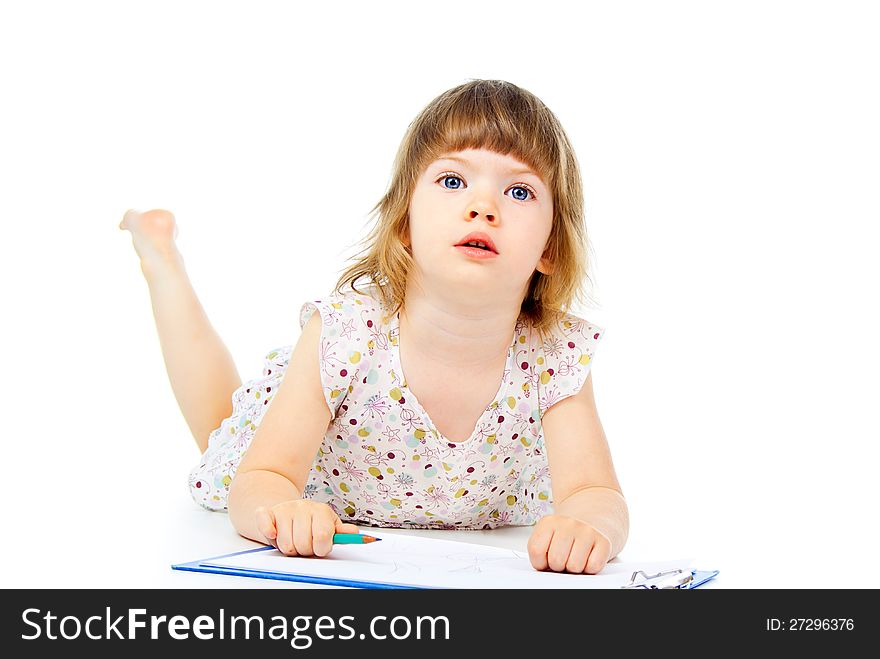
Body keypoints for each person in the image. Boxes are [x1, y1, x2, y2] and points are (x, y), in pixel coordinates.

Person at [120, 79, 629, 575]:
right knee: (218, 426)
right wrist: (281, 510)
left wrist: (590, 528)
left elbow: (596, 493)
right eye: (453, 181)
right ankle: (163, 263)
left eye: (519, 191)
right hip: (316, 475)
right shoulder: (348, 332)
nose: (484, 207)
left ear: (550, 249)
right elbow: (261, 477)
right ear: (404, 223)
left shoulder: (555, 355)